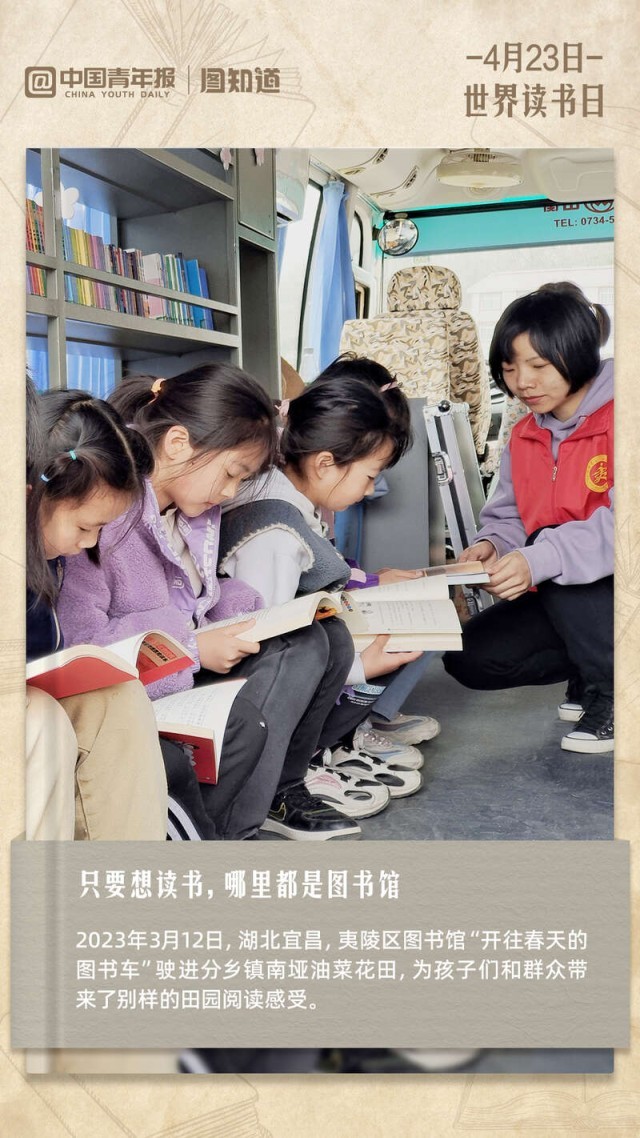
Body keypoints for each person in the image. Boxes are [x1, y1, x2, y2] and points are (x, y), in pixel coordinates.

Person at [57, 364, 359, 840]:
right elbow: (83, 645)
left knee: (326, 639)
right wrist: (194, 648)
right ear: (178, 443)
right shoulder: (103, 515)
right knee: (289, 663)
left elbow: (198, 599)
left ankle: (280, 791)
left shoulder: (191, 513)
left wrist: (245, 613)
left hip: (178, 663)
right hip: (139, 684)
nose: (231, 492)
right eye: (232, 474)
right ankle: (230, 829)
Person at [218, 370, 442, 803]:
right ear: (324, 464)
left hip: (287, 671)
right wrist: (359, 668)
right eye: (370, 475)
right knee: (356, 644)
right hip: (254, 702)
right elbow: (270, 657)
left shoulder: (294, 500)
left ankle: (320, 751)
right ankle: (293, 774)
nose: (372, 489)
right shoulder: (276, 535)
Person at [443, 282, 613, 753]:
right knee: (471, 657)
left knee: (552, 540)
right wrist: (492, 545)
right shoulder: (523, 435)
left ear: (577, 353)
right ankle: (591, 669)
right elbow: (512, 516)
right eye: (509, 368)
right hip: (570, 598)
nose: (522, 382)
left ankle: (617, 691)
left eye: (538, 365)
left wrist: (542, 556)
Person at [25, 380, 168, 840]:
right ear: (29, 496)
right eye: (86, 527)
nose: (88, 544)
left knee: (118, 697)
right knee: (42, 718)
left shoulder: (48, 560)